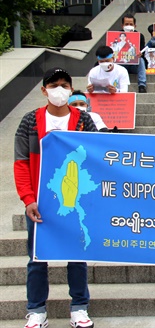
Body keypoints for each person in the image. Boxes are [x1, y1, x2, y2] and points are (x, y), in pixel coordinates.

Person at [14, 67, 97, 328]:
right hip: (40, 200)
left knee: (77, 254)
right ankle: (36, 310)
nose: (59, 90)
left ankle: (79, 307)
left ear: (71, 89)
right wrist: (28, 198)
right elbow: (21, 162)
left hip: (73, 198)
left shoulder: (84, 120)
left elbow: (96, 158)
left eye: (64, 85)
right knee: (37, 257)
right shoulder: (30, 121)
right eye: (53, 85)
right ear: (44, 90)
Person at [121, 14, 148, 93]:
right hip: (121, 64)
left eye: (131, 24)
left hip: (134, 64)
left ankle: (142, 85)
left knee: (141, 60)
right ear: (122, 25)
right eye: (126, 24)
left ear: (135, 25)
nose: (129, 26)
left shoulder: (140, 36)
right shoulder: (116, 35)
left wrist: (140, 54)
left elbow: (143, 51)